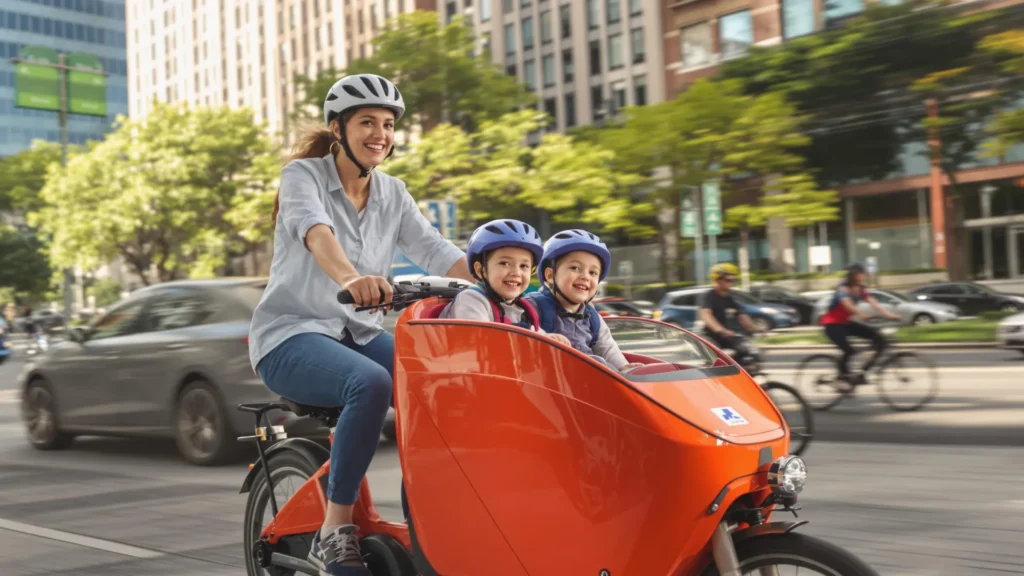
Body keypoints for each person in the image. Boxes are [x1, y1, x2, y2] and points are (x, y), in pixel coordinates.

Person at [248, 73, 475, 576]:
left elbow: (434, 248)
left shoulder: (392, 192)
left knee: (435, 384)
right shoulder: (302, 177)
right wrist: (353, 278)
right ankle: (334, 530)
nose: (380, 133)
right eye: (367, 122)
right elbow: (316, 231)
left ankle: (434, 515)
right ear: (338, 129)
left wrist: (495, 284)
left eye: (388, 124)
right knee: (369, 383)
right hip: (289, 335)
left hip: (358, 333)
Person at [525, 230, 642, 371]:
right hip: (548, 382)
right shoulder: (533, 306)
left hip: (586, 383)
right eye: (575, 268)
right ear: (550, 275)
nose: (585, 276)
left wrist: (623, 367)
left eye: (593, 273)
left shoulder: (593, 317)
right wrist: (543, 338)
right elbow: (518, 332)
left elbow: (607, 348)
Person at [440, 220, 568, 347]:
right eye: (504, 263)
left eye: (524, 266)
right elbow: (478, 342)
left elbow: (535, 335)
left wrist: (548, 339)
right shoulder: (472, 300)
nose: (516, 272)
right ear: (481, 270)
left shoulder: (522, 308)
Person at [819, 263, 901, 384]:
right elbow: (847, 304)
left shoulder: (861, 290)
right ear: (853, 275)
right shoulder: (842, 289)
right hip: (832, 325)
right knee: (849, 350)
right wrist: (861, 314)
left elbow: (874, 303)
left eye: (864, 274)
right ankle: (842, 376)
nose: (863, 276)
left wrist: (890, 315)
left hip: (845, 323)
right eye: (861, 274)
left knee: (880, 341)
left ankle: (862, 373)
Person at [699, 263, 763, 361]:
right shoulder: (709, 296)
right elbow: (706, 315)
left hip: (725, 336)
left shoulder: (728, 298)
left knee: (745, 351)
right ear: (718, 280)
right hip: (710, 337)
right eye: (728, 280)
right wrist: (721, 330)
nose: (731, 283)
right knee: (719, 360)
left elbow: (741, 316)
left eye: (733, 280)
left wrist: (756, 328)